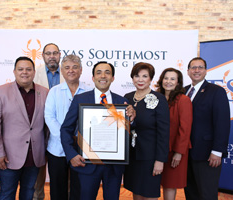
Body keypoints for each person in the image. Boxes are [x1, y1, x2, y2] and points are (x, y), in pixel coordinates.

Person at [61, 61, 135, 200]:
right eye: (99, 72)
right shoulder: (80, 99)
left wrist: (132, 119)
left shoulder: (122, 102)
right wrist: (71, 155)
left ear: (113, 78)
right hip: (87, 164)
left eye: (107, 72)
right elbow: (66, 129)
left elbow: (127, 133)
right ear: (93, 77)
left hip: (114, 166)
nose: (103, 76)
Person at [0, 56, 49, 200]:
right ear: (14, 72)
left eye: (28, 69)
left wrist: (45, 149)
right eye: (20, 69)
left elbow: (47, 125)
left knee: (28, 193)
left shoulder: (45, 92)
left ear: (34, 72)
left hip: (35, 155)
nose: (24, 72)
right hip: (8, 156)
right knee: (7, 194)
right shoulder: (0, 92)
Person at [44, 55, 92, 200]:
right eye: (67, 68)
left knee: (79, 187)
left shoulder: (90, 92)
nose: (71, 70)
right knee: (58, 189)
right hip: (57, 148)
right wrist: (66, 139)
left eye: (75, 67)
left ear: (81, 70)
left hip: (81, 149)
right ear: (62, 71)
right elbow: (49, 117)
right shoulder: (54, 91)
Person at [184, 57, 230, 200]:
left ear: (205, 71)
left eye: (200, 67)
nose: (196, 70)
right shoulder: (183, 91)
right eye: (193, 67)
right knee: (190, 192)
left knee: (207, 194)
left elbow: (222, 123)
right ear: (188, 71)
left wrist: (217, 151)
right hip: (186, 153)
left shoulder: (216, 91)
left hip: (207, 154)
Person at [124, 62, 170, 200]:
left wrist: (160, 160)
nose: (140, 79)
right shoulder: (127, 97)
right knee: (136, 192)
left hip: (150, 157)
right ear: (132, 78)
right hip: (131, 155)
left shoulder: (159, 99)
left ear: (151, 79)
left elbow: (164, 132)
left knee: (149, 193)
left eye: (145, 76)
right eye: (137, 76)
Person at [33, 43, 65, 200]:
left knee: (62, 178)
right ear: (43, 56)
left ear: (60, 55)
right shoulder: (33, 73)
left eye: (55, 53)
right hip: (38, 131)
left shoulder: (69, 72)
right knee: (36, 178)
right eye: (48, 53)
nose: (52, 56)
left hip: (61, 133)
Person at [156, 68, 193, 200]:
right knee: (154, 183)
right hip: (157, 149)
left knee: (169, 184)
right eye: (166, 78)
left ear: (178, 82)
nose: (168, 82)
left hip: (174, 151)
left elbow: (185, 128)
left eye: (172, 79)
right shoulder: (156, 98)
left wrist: (179, 152)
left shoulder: (183, 100)